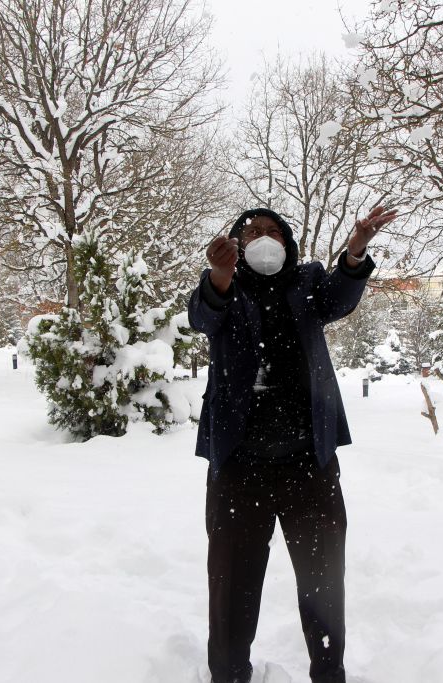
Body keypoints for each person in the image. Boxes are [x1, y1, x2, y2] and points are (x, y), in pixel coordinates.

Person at [187, 206, 397, 683]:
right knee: (231, 586)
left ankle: (328, 673)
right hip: (239, 467)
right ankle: (229, 673)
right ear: (237, 246)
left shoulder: (308, 282)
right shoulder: (223, 286)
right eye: (253, 233)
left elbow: (340, 298)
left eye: (273, 232)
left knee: (323, 583)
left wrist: (356, 251)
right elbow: (201, 318)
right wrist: (219, 276)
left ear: (288, 242)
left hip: (309, 464)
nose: (263, 238)